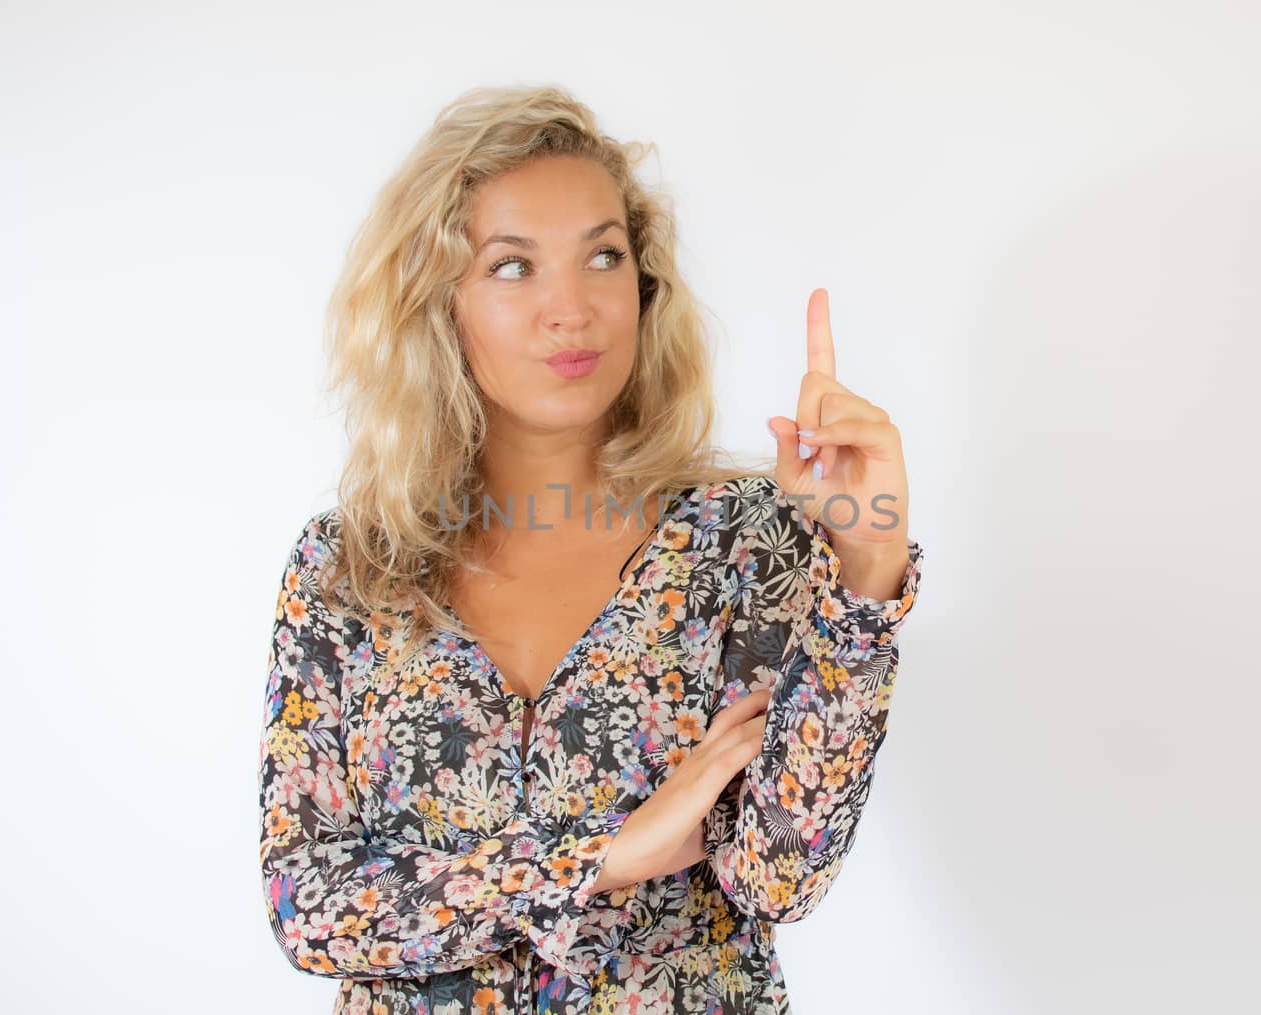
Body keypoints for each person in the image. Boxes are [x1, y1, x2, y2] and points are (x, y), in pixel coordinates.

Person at [257, 83, 923, 1015]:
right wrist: (601, 859)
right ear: (436, 299)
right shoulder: (349, 568)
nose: (571, 309)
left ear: (643, 286)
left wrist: (863, 572)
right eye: (513, 266)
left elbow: (781, 875)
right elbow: (309, 905)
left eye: (602, 256)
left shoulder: (743, 537)